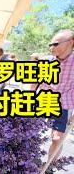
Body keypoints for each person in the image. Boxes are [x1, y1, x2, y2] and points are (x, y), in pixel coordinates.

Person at [35, 29, 74, 173]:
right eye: (50, 44)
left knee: (57, 138)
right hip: (43, 100)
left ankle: (49, 166)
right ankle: (26, 157)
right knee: (31, 131)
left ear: (71, 42)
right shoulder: (46, 61)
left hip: (64, 105)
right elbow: (35, 81)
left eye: (56, 44)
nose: (52, 47)